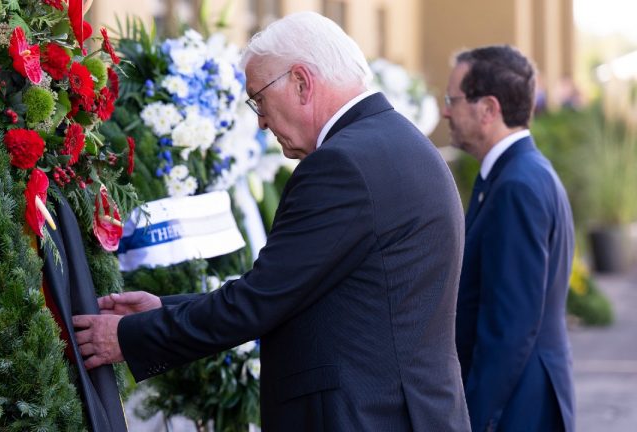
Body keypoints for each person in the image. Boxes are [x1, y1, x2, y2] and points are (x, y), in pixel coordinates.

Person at [74, 11, 469, 431]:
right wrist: (160, 310)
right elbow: (296, 291)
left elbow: (261, 300)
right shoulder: (399, 143)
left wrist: (130, 337)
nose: (259, 121)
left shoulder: (342, 164)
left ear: (301, 82)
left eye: (258, 99)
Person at [443, 45, 575, 432]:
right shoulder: (519, 173)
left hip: (519, 406)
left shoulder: (517, 184)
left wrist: (475, 418)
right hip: (523, 397)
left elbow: (510, 326)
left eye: (453, 100)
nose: (446, 111)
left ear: (488, 109)